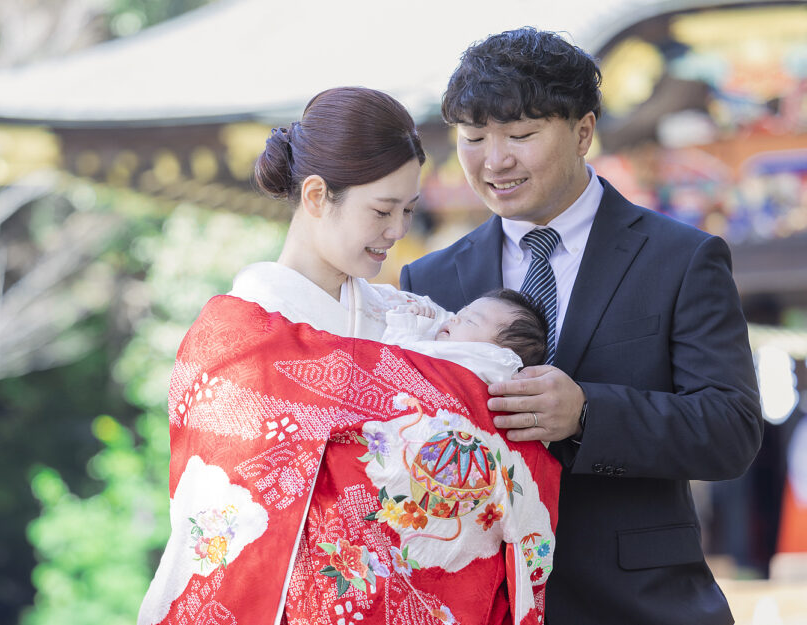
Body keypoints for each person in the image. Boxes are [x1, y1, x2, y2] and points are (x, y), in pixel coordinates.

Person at [138, 87, 561, 625]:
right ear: (316, 196)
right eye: (383, 210)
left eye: (408, 210)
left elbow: (496, 420)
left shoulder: (415, 318)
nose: (398, 231)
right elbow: (228, 512)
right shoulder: (236, 338)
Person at [401, 28, 763, 625]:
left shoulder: (681, 258)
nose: (495, 161)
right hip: (480, 605)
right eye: (473, 138)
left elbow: (731, 428)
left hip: (640, 605)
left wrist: (588, 414)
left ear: (583, 132)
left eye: (520, 135)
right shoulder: (428, 280)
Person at [381, 288, 548, 381]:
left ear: (498, 350)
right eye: (460, 313)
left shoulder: (487, 362)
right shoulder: (441, 346)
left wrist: (408, 326)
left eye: (470, 321)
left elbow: (393, 360)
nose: (454, 319)